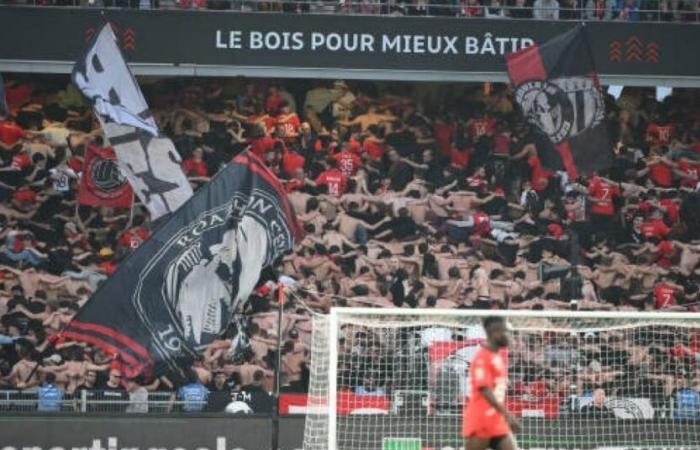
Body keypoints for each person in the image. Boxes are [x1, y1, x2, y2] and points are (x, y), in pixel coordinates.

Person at [463, 316, 521, 450]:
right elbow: (485, 390)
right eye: (506, 332)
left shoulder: (496, 356)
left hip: (496, 419)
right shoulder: (482, 358)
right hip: (482, 419)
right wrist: (507, 414)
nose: (510, 336)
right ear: (495, 333)